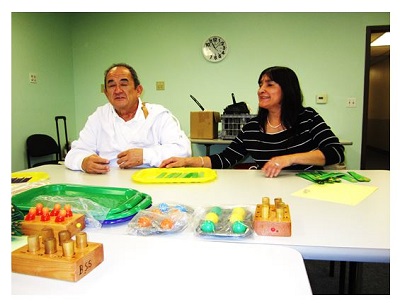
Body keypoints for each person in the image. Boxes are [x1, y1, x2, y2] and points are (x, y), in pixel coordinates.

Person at [160, 66, 345, 177]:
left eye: (269, 84)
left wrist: (290, 159)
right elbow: (225, 159)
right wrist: (187, 162)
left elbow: (336, 152)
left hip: (306, 191)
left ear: (287, 90)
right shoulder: (251, 128)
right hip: (267, 190)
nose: (261, 90)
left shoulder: (308, 117)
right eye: (260, 84)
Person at [65, 63, 191, 174]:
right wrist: (83, 162)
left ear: (138, 90)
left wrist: (144, 156)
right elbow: (74, 153)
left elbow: (182, 150)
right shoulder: (99, 117)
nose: (118, 90)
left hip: (151, 183)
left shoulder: (158, 115)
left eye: (124, 84)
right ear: (106, 93)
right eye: (112, 85)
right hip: (109, 186)